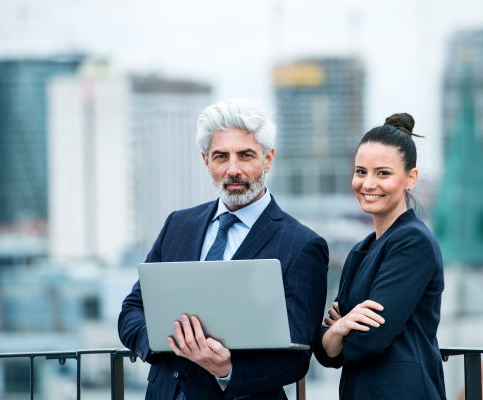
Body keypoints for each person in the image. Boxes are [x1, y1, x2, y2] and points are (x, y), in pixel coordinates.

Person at [118, 98, 329, 400]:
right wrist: (166, 342)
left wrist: (227, 368)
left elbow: (296, 356)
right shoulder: (178, 225)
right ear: (206, 161)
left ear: (268, 159)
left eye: (245, 156)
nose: (233, 169)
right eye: (221, 157)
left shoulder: (303, 244)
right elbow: (131, 311)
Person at [314, 113, 446, 399]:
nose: (368, 184)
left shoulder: (413, 242)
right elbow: (325, 354)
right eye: (361, 172)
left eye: (382, 173)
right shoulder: (360, 250)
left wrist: (338, 329)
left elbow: (367, 340)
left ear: (410, 178)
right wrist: (342, 327)